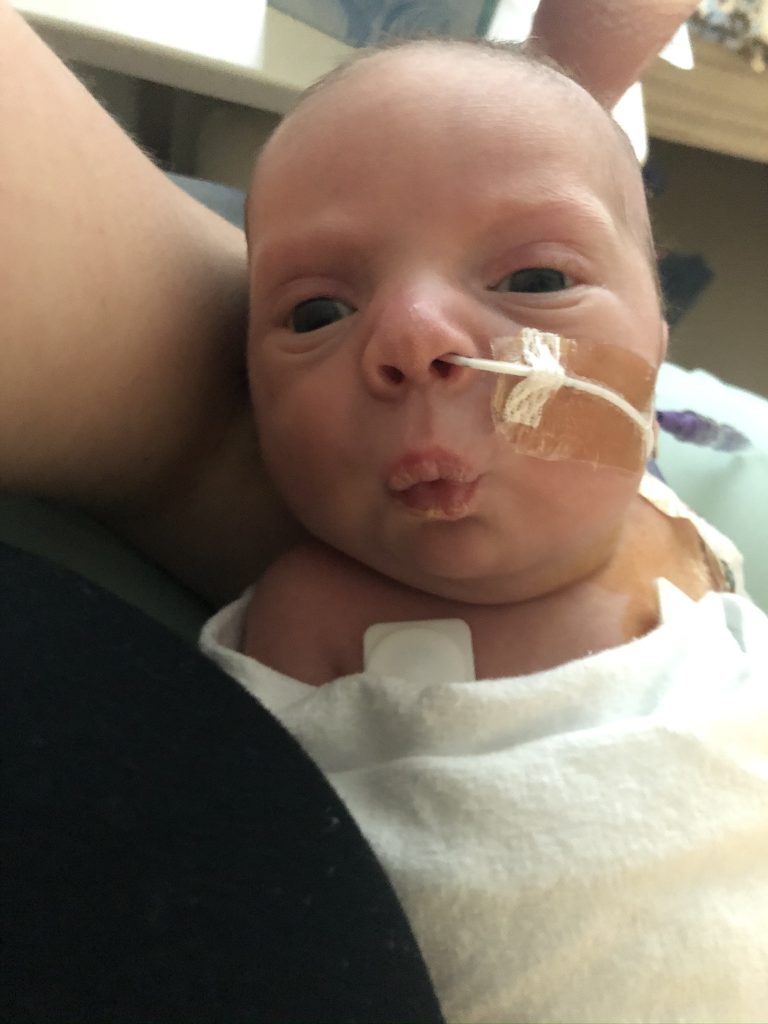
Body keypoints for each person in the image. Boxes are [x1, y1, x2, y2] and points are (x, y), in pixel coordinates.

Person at [199, 39, 768, 1023]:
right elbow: (245, 885)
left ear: (656, 348)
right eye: (319, 310)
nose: (415, 336)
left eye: (537, 278)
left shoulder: (686, 533)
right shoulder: (315, 617)